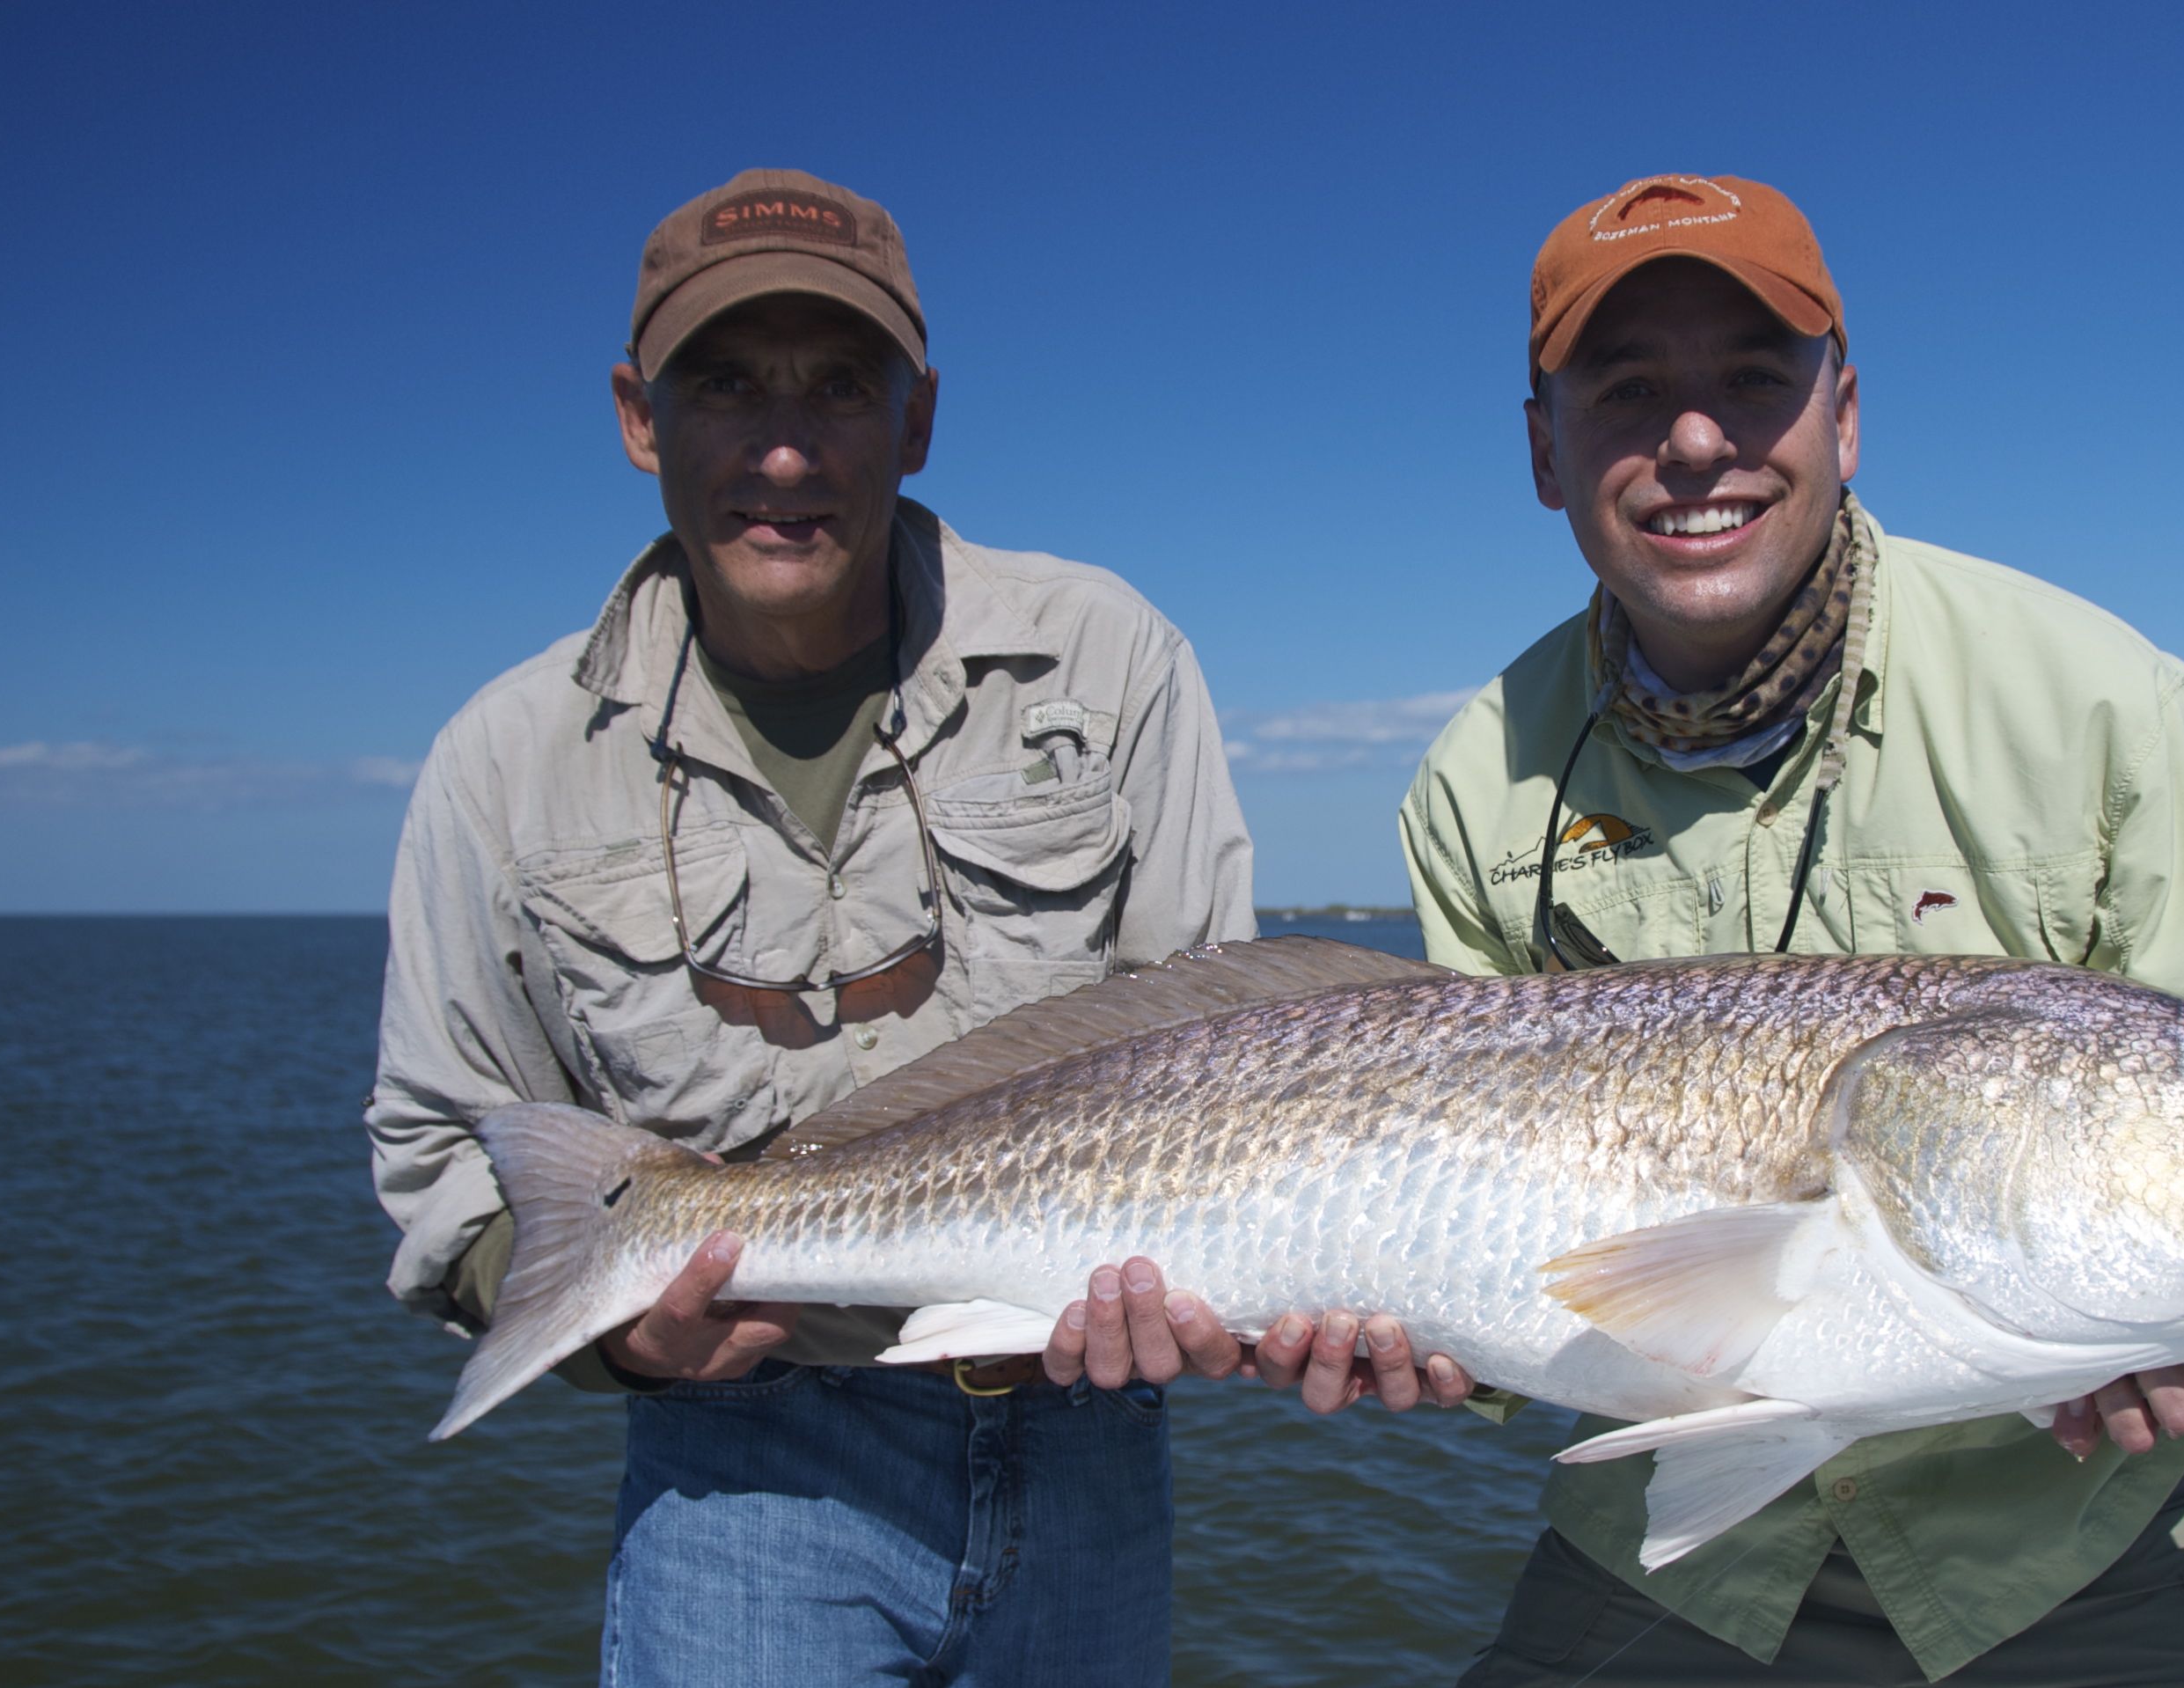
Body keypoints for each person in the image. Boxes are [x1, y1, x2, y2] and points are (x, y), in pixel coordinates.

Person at [364, 167, 1456, 1687]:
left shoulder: (1108, 657)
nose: (786, 443)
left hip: (1088, 1439)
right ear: (636, 417)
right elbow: (438, 1150)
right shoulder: (505, 757)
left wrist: (1276, 1285)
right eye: (727, 383)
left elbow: (1231, 1058)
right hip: (739, 1465)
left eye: (840, 386)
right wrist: (626, 1335)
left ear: (920, 416)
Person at [1400, 174, 2184, 1684]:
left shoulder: (2104, 703)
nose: (1694, 441)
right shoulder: (1474, 772)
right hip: (1674, 1551)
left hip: (2081, 1536)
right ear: (1540, 449)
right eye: (1629, 391)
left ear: (1843, 415)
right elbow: (1473, 1252)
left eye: (1752, 382)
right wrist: (1411, 1340)